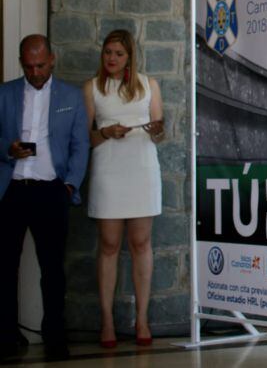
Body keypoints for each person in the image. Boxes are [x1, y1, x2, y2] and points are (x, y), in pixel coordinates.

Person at [0, 34, 89, 361]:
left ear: (52, 59)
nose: (35, 72)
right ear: (21, 62)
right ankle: (7, 336)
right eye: (28, 66)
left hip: (51, 190)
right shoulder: (4, 93)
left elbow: (81, 146)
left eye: (40, 65)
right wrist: (6, 150)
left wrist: (69, 186)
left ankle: (55, 337)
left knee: (52, 269)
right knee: (5, 268)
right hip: (11, 189)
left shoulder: (71, 96)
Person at [83, 30, 164, 348]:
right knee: (108, 244)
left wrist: (157, 128)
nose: (111, 59)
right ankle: (107, 322)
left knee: (141, 243)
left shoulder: (149, 84)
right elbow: (85, 139)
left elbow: (158, 132)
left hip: (141, 168)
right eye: (107, 53)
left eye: (118, 53)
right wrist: (105, 132)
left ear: (130, 55)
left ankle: (141, 319)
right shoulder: (92, 88)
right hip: (108, 168)